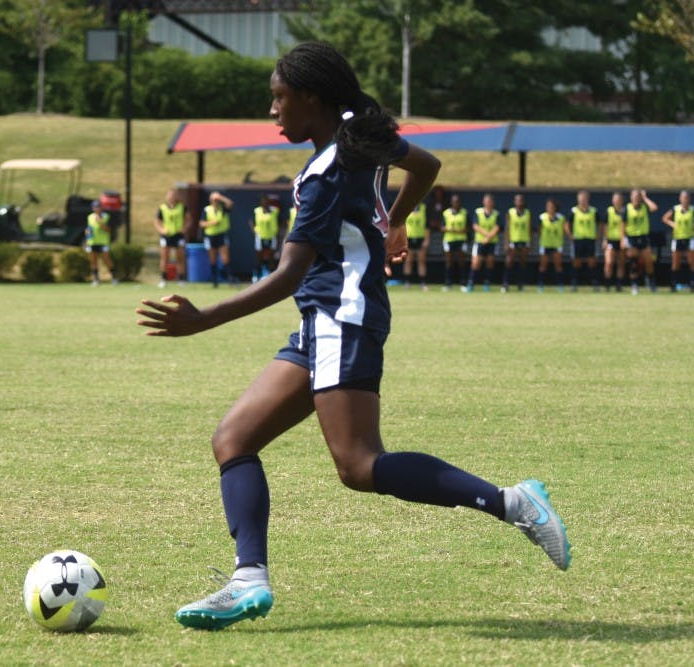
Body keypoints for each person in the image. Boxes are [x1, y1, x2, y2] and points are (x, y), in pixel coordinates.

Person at [135, 41, 570, 632]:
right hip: (326, 318)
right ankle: (248, 580)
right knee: (233, 438)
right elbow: (427, 167)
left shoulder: (324, 172)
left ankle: (513, 502)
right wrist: (394, 219)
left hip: (343, 317)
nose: (272, 110)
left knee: (360, 465)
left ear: (311, 97)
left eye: (280, 97)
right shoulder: (357, 136)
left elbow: (288, 274)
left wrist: (203, 318)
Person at [662, 190, 694, 293]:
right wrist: (672, 224)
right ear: (680, 199)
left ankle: (693, 285)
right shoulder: (675, 209)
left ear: (689, 199)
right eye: (683, 198)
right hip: (678, 238)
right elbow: (665, 218)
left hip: (690, 238)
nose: (685, 200)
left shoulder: (693, 209)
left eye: (687, 198)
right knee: (675, 263)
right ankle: (673, 285)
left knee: (692, 262)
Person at [624, 189, 659, 295]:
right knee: (633, 263)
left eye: (638, 197)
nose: (636, 199)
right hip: (631, 238)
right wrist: (623, 238)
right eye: (634, 197)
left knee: (648, 261)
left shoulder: (644, 207)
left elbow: (654, 208)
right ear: (631, 198)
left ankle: (651, 282)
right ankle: (634, 285)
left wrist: (645, 198)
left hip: (643, 237)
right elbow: (622, 224)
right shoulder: (627, 208)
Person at [153, 188, 190, 288]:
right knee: (165, 258)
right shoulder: (163, 207)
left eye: (173, 195)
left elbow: (188, 219)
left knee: (180, 258)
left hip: (178, 235)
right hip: (166, 236)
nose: (172, 197)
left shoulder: (182, 207)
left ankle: (181, 279)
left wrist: (184, 228)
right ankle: (163, 279)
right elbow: (157, 221)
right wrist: (162, 230)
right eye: (170, 195)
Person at [466, 193, 499, 292]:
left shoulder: (496, 214)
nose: (488, 203)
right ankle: (471, 283)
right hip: (480, 242)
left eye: (490, 201)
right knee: (476, 263)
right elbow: (475, 226)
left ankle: (487, 283)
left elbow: (497, 227)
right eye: (486, 201)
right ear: (483, 202)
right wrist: (486, 235)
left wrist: (488, 238)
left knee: (490, 262)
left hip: (491, 242)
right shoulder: (478, 212)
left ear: (493, 203)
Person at [200, 191, 234, 287]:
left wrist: (220, 197)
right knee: (213, 259)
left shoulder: (222, 209)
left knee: (225, 258)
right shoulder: (207, 210)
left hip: (222, 235)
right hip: (210, 236)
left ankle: (230, 279)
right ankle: (214, 281)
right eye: (214, 199)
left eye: (216, 200)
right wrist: (211, 223)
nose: (215, 201)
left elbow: (230, 203)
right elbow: (201, 223)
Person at [570, 191, 600, 292]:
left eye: (585, 198)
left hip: (590, 239)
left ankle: (594, 283)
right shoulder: (574, 211)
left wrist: (598, 234)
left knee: (592, 261)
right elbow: (567, 223)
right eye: (581, 198)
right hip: (578, 239)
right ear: (578, 200)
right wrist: (570, 235)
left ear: (588, 199)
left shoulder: (593, 211)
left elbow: (600, 224)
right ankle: (574, 283)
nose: (583, 200)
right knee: (576, 262)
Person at [536, 198, 567, 293]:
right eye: (548, 206)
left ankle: (560, 286)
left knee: (558, 265)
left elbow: (565, 229)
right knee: (543, 265)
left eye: (552, 206)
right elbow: (539, 231)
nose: (550, 208)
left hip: (557, 244)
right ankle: (540, 285)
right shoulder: (542, 217)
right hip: (545, 244)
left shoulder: (561, 218)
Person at [502, 193, 531, 292]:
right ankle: (506, 283)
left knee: (522, 263)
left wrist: (530, 243)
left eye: (521, 200)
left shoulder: (527, 213)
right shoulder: (510, 212)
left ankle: (520, 283)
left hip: (524, 240)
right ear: (514, 202)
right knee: (509, 262)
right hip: (513, 241)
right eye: (517, 200)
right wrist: (506, 243)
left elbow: (529, 228)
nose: (519, 202)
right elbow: (507, 228)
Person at [441, 194, 468, 291]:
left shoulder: (464, 212)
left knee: (461, 262)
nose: (456, 203)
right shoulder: (446, 213)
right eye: (454, 201)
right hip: (449, 240)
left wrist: (460, 230)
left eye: (458, 201)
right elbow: (442, 227)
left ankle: (463, 283)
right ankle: (448, 283)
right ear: (451, 203)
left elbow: (468, 228)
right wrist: (449, 229)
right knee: (449, 262)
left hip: (461, 240)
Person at [86, 200, 118, 286]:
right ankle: (96, 279)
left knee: (107, 260)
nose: (97, 209)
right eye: (95, 207)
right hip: (92, 242)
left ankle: (114, 278)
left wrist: (100, 221)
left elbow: (108, 230)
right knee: (93, 261)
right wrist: (87, 233)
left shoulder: (106, 217)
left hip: (103, 242)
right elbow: (89, 228)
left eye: (98, 207)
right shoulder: (90, 217)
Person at [250, 194, 280, 283]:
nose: (265, 203)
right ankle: (257, 277)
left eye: (267, 201)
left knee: (271, 258)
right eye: (263, 202)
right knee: (259, 258)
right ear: (261, 203)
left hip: (271, 236)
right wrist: (255, 231)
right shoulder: (257, 211)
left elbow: (282, 221)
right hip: (260, 237)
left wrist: (277, 230)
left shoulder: (274, 211)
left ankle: (272, 278)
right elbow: (251, 221)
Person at [602, 192, 626, 292]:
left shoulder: (625, 211)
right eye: (615, 199)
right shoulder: (609, 211)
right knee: (609, 262)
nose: (617, 201)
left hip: (622, 240)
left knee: (621, 263)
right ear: (612, 201)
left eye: (619, 199)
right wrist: (604, 239)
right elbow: (605, 226)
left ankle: (619, 285)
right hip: (611, 240)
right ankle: (607, 284)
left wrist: (623, 239)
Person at [403, 202, 429, 289]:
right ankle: (407, 282)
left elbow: (427, 226)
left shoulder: (424, 208)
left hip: (420, 238)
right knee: (408, 261)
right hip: (408, 238)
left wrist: (426, 239)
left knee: (421, 261)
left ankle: (423, 282)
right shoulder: (406, 206)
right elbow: (402, 224)